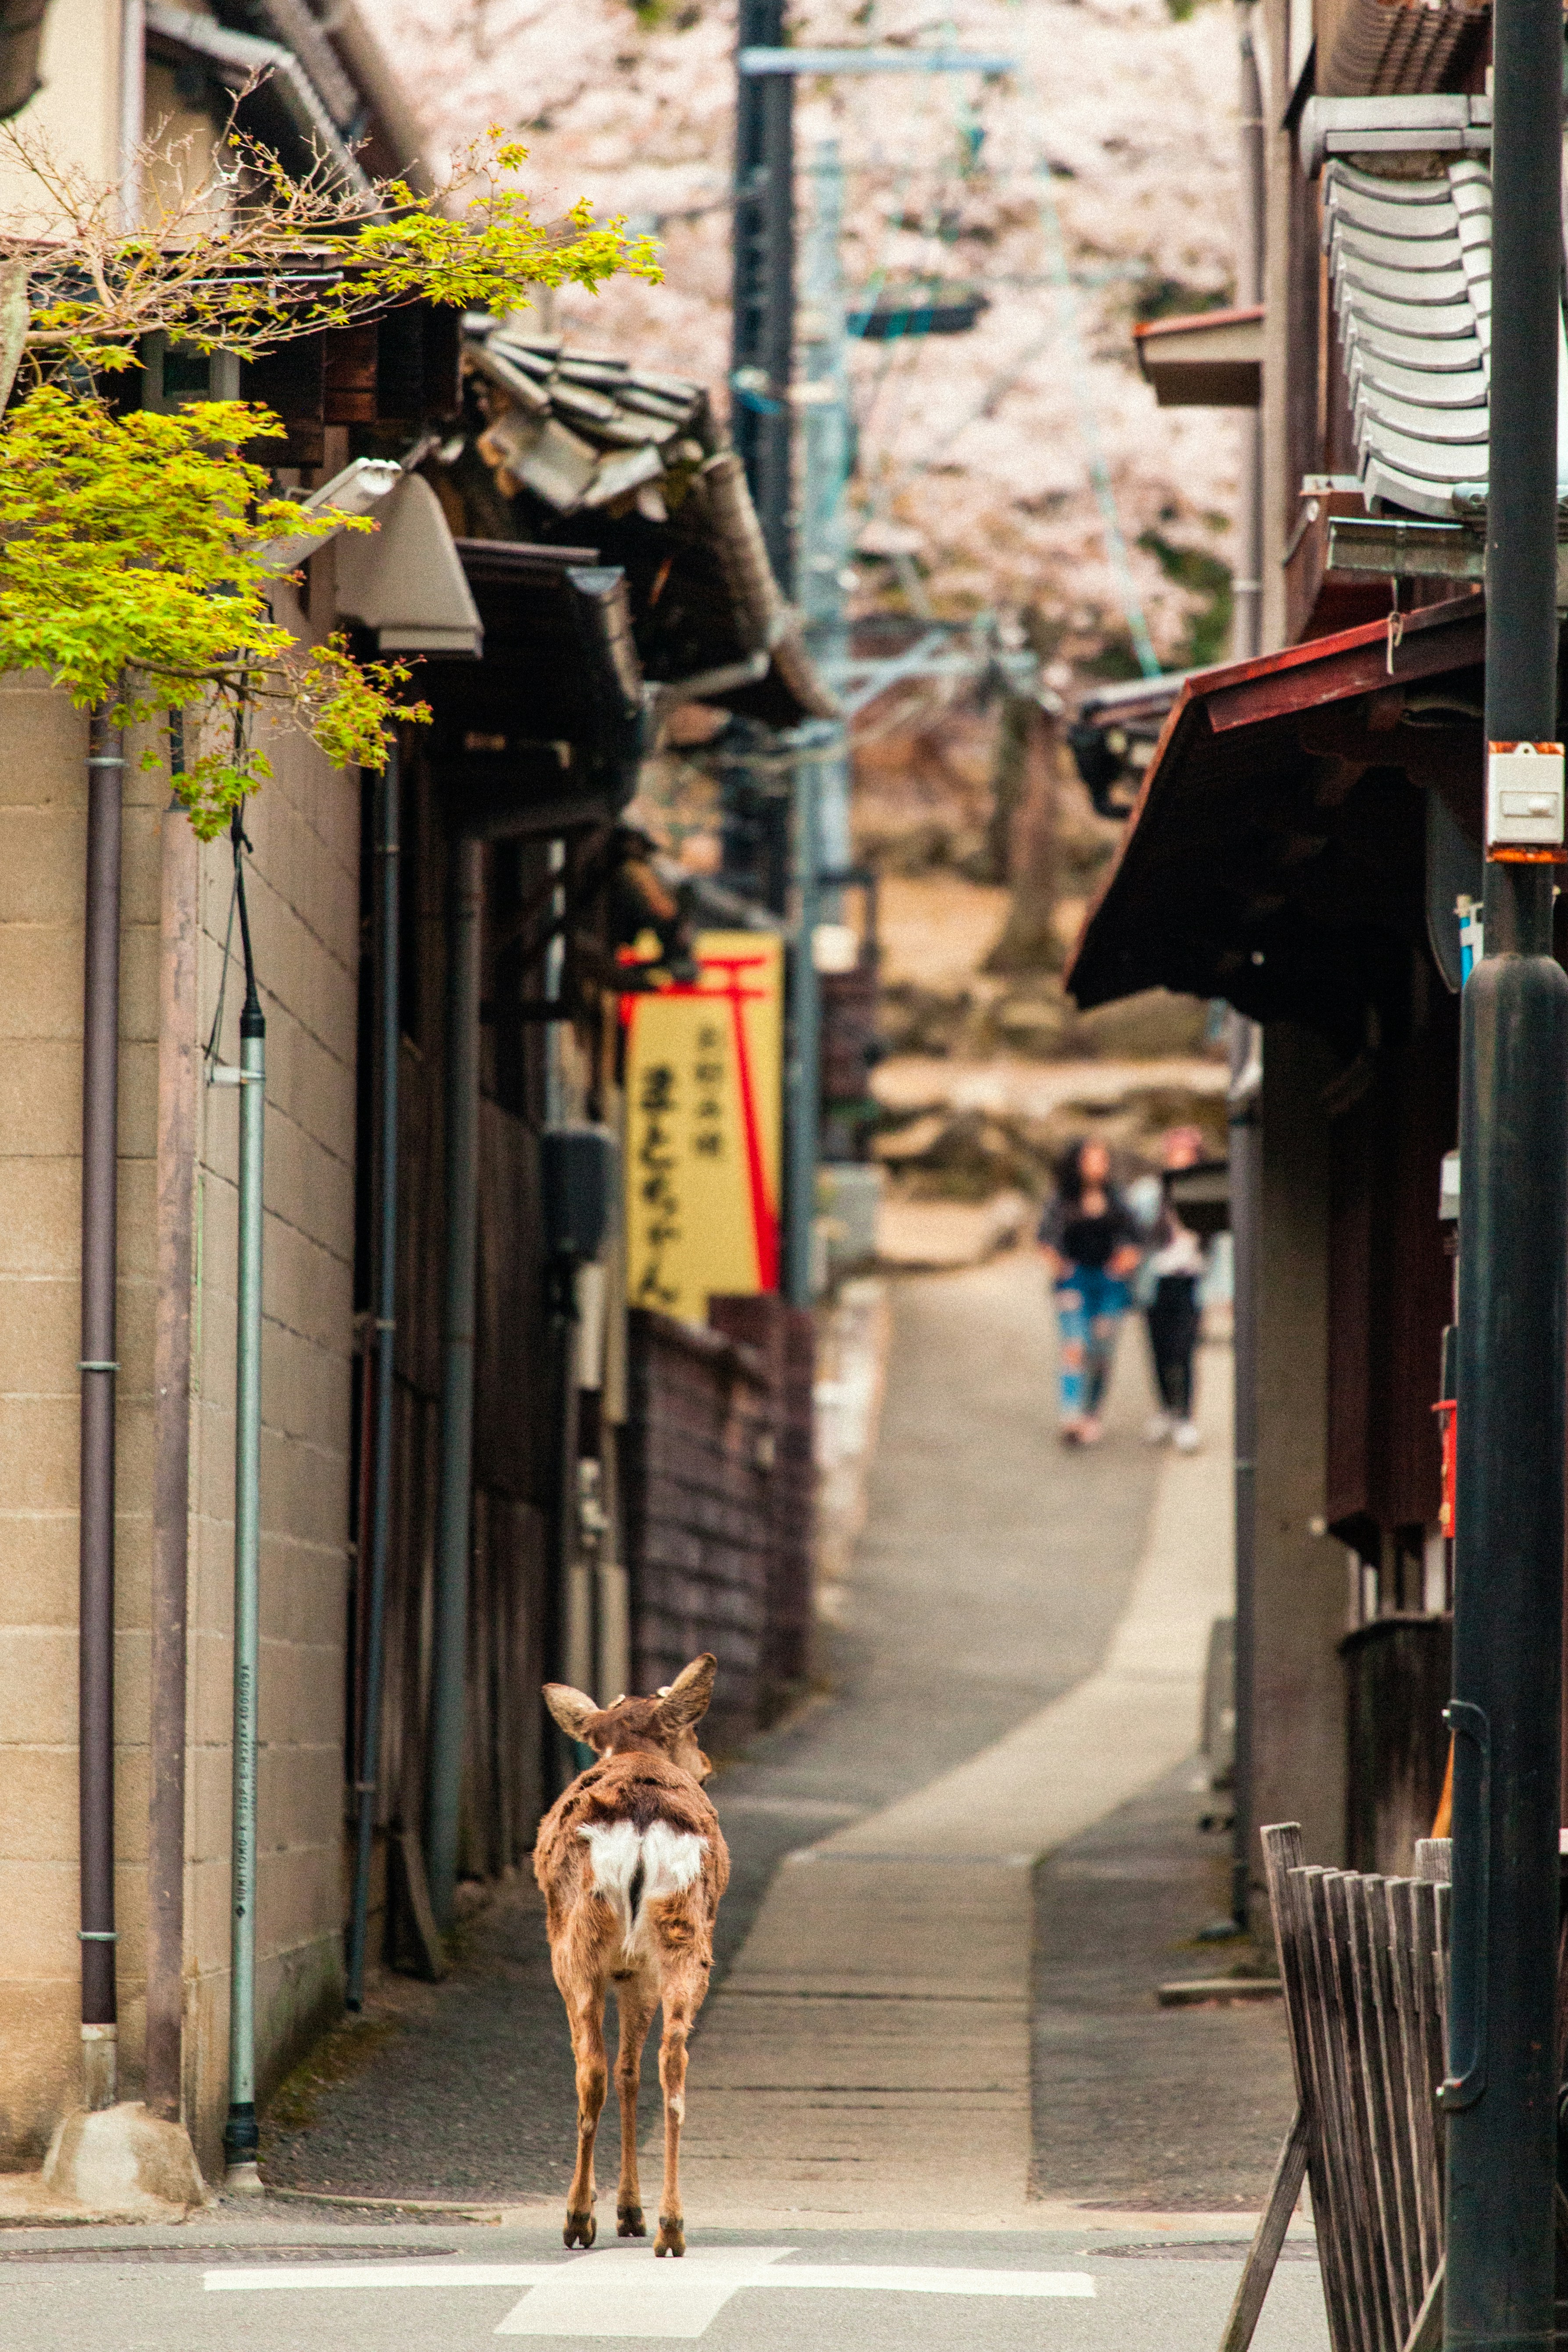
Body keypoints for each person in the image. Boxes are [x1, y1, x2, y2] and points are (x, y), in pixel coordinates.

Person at [1038, 1138, 1143, 1446]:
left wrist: (1126, 1260)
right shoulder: (1062, 1200)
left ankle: (1091, 1413)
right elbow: (1045, 1238)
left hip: (1109, 1284)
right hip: (1075, 1281)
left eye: (1102, 1159)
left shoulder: (1117, 1199)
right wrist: (1059, 1266)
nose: (1098, 1165)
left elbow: (1135, 1237)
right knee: (1074, 1346)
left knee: (1101, 1353)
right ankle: (1071, 1414)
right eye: (1091, 1159)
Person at [1140, 1127, 1207, 1453]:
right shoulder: (1150, 1194)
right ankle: (1166, 1408)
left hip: (1191, 1281)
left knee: (1185, 1350)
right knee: (1158, 1351)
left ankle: (1186, 1416)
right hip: (1157, 1281)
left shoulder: (1207, 1192)